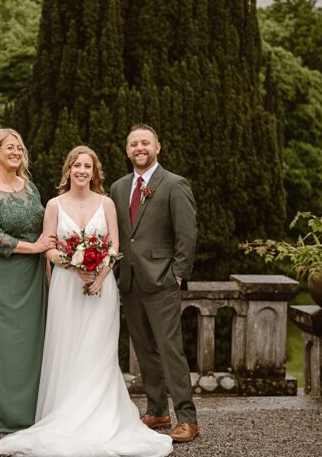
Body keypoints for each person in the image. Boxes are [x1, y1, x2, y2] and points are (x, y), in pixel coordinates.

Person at [0, 146, 172, 457]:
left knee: (98, 351)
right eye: (76, 165)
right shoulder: (54, 205)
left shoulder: (107, 203)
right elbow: (48, 247)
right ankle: (65, 414)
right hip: (66, 288)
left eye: (88, 166)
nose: (82, 170)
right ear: (68, 170)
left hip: (102, 287)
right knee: (68, 350)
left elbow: (114, 245)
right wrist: (75, 266)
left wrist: (99, 274)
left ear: (95, 172)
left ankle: (100, 414)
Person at [110, 125, 199, 444]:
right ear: (127, 150)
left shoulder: (174, 184)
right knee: (144, 349)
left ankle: (187, 418)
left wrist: (177, 274)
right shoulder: (119, 188)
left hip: (162, 281)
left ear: (157, 147)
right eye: (133, 143)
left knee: (170, 349)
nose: (139, 148)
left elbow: (187, 234)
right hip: (130, 281)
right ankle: (158, 409)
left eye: (145, 142)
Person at [0, 128, 56, 433]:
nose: (16, 152)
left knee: (31, 342)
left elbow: (44, 225)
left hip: (32, 275)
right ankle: (1, 413)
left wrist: (47, 256)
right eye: (10, 147)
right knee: (2, 342)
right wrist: (35, 247)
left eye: (19, 147)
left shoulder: (29, 186)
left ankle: (32, 410)